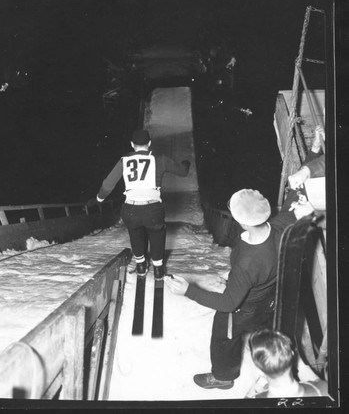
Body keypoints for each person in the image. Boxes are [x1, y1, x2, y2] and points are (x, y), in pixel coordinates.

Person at [165, 187, 314, 390]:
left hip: (244, 308)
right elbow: (292, 206)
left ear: (243, 222)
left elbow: (228, 303)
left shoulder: (248, 260)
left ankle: (223, 377)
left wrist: (188, 291)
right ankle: (272, 365)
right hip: (269, 298)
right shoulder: (280, 227)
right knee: (263, 326)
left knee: (223, 336)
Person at [89, 129, 190, 279]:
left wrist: (98, 200)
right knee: (157, 233)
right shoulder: (159, 159)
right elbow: (182, 172)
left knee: (135, 232)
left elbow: (107, 185)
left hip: (130, 209)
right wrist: (186, 164)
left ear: (132, 144)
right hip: (152, 209)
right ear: (149, 143)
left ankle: (141, 265)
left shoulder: (124, 160)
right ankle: (158, 269)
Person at [248, 328, 328, 398]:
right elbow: (316, 383)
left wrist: (260, 382)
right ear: (293, 354)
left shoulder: (252, 403)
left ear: (258, 370)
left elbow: (247, 398)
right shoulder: (325, 390)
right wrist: (298, 361)